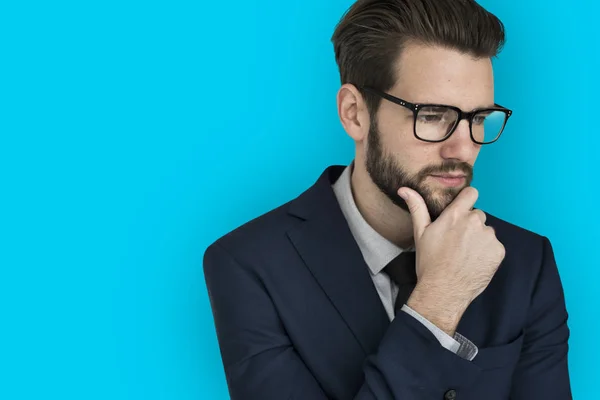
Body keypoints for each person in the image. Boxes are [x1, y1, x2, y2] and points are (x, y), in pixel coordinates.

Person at [203, 0, 572, 398]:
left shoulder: (525, 261)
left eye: (478, 118)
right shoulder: (249, 264)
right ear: (354, 113)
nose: (463, 148)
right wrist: (436, 304)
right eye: (432, 115)